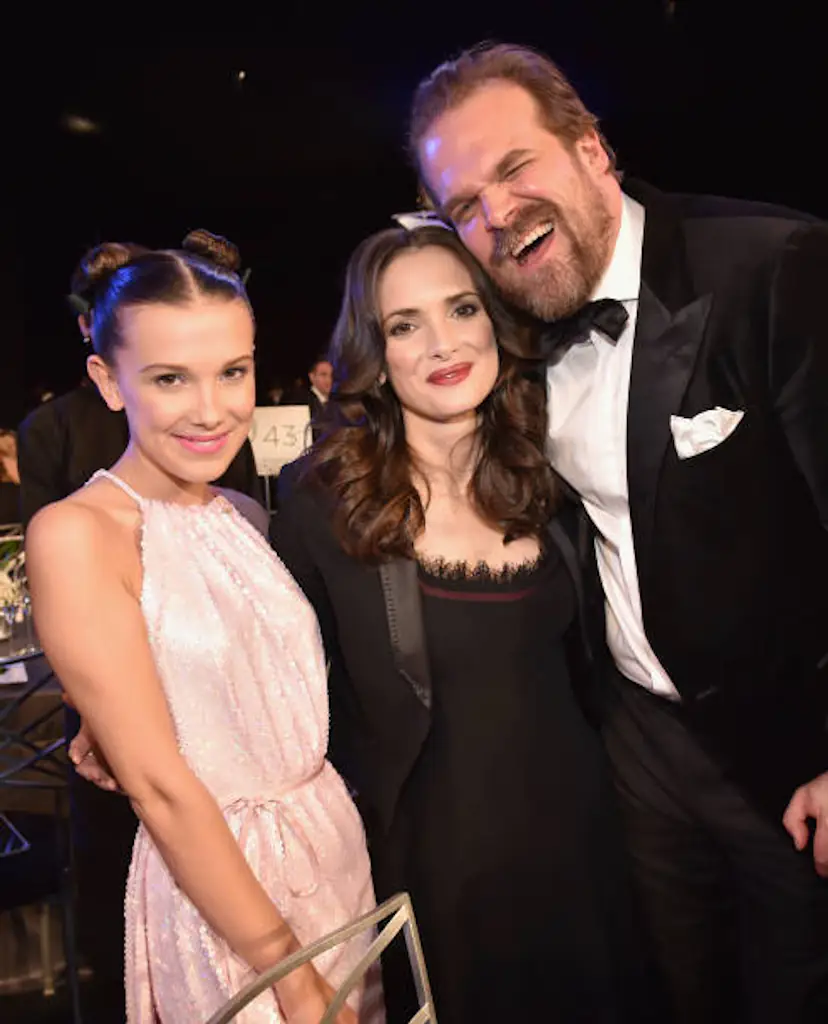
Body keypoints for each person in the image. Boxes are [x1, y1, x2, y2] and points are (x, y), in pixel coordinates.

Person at [408, 41, 828, 1024]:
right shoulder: (509, 334)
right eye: (465, 203)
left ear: (593, 150)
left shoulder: (777, 265)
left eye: (516, 168)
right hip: (635, 749)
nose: (498, 215)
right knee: (677, 995)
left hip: (786, 750)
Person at [272, 223, 655, 1023]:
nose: (443, 344)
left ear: (495, 319)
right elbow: (280, 692)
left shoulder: (551, 471)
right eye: (404, 325)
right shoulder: (322, 501)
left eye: (462, 309)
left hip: (585, 850)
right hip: (433, 878)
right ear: (373, 350)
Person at [26, 230, 382, 1023]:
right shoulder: (78, 533)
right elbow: (159, 785)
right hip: (225, 901)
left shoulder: (247, 515)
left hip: (331, 854)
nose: (212, 410)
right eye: (170, 379)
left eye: (233, 371)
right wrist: (287, 973)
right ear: (108, 381)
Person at [282, 358, 334, 441]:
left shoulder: (339, 403)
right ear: (312, 377)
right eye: (323, 375)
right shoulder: (300, 401)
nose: (329, 380)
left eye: (332, 375)